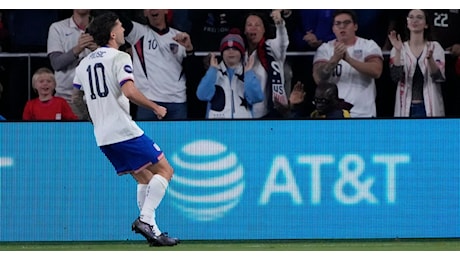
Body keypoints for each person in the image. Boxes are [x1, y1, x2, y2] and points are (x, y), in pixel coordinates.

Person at [72, 11, 178, 247]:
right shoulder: (119, 57)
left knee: (144, 178)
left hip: (103, 135)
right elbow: (129, 91)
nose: (123, 30)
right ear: (111, 33)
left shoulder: (84, 63)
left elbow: (76, 97)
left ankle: (155, 233)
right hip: (123, 129)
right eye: (120, 27)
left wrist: (95, 117)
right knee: (166, 171)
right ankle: (145, 219)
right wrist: (155, 107)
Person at [119, 9, 194, 120]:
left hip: (177, 101)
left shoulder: (179, 36)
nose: (153, 9)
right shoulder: (138, 32)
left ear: (166, 10)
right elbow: (117, 16)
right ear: (144, 12)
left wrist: (189, 49)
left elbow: (192, 72)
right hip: (148, 102)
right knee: (148, 138)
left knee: (176, 137)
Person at [312, 9, 383, 118]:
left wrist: (349, 59)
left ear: (355, 26)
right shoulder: (325, 49)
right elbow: (318, 78)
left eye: (347, 23)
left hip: (364, 113)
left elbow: (376, 71)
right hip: (334, 114)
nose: (342, 26)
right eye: (338, 24)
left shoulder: (369, 45)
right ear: (333, 28)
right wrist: (334, 60)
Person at [388, 9, 445, 117]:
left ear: (426, 24)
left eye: (419, 17)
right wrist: (398, 51)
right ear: (407, 23)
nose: (415, 20)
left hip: (429, 108)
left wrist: (430, 59)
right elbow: (396, 77)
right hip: (406, 109)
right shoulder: (399, 47)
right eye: (411, 17)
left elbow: (439, 78)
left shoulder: (435, 47)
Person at [196, 29, 264, 119]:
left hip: (243, 127)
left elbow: (256, 98)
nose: (231, 52)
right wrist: (212, 71)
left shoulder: (248, 73)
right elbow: (202, 95)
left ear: (241, 52)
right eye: (227, 49)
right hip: (216, 128)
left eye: (235, 49)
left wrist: (249, 74)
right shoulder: (214, 72)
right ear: (222, 53)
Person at [47, 9, 97, 120]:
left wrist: (98, 49)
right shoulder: (57, 28)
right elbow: (56, 63)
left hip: (98, 99)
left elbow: (113, 60)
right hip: (67, 100)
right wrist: (78, 48)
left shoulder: (102, 27)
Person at [243, 10, 290, 119]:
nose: (253, 27)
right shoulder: (239, 52)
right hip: (243, 114)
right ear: (245, 30)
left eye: (257, 25)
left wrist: (280, 24)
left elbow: (283, 42)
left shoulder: (272, 48)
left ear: (264, 29)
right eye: (249, 25)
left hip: (271, 113)